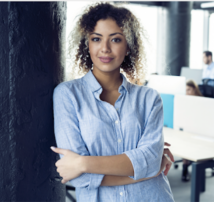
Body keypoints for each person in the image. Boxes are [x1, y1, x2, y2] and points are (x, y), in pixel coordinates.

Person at [50, 2, 175, 202]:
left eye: (116, 39)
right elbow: (80, 178)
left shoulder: (149, 98)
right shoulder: (67, 95)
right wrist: (150, 170)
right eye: (96, 39)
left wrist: (82, 162)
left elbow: (78, 168)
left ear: (128, 47)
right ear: (87, 45)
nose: (105, 48)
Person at [180, 80, 203, 182]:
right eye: (185, 90)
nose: (187, 92)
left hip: (199, 130)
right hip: (187, 129)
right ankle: (185, 167)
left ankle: (185, 168)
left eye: (189, 90)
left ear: (194, 89)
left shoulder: (201, 101)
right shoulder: (184, 101)